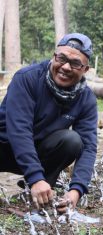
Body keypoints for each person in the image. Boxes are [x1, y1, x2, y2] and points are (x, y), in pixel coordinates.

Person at [0, 33, 97, 213]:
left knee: (72, 141)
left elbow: (89, 147)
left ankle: (40, 198)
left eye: (75, 63)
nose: (66, 67)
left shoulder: (86, 98)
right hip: (5, 145)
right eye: (62, 58)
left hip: (37, 150)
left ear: (85, 69)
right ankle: (37, 182)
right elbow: (19, 131)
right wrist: (36, 177)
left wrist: (76, 190)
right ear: (54, 56)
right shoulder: (27, 78)